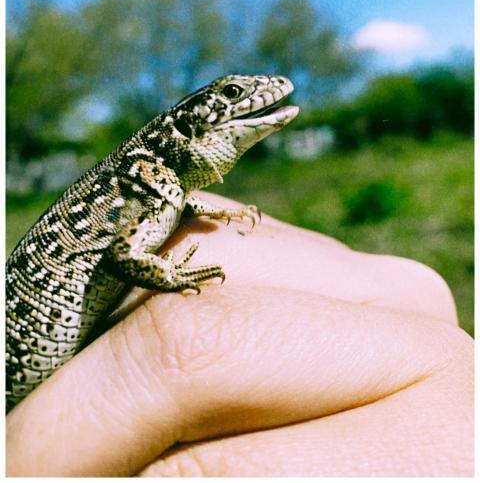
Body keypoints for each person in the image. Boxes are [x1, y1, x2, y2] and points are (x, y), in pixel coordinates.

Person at [6, 192, 473, 477]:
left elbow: (169, 211)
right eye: (230, 97)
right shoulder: (146, 182)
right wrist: (170, 277)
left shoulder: (164, 189)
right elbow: (125, 254)